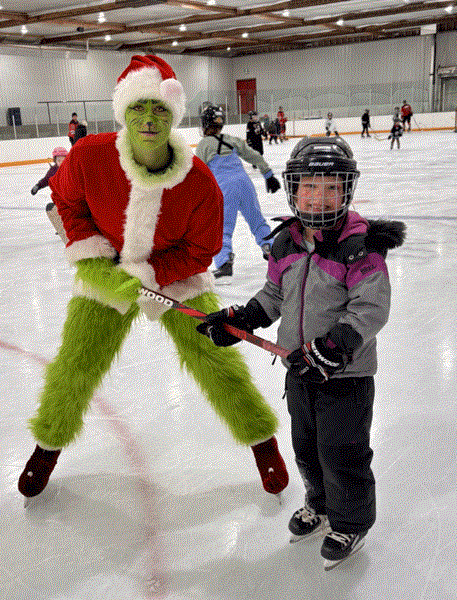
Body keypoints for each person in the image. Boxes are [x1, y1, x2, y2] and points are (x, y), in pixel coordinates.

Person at [18, 55, 289, 501]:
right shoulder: (89, 156)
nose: (149, 119)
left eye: (161, 109)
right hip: (106, 271)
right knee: (75, 365)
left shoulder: (199, 180)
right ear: (123, 111)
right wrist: (96, 266)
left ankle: (262, 440)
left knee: (215, 358)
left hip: (174, 273)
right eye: (139, 108)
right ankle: (47, 444)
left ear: (174, 115)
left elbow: (202, 250)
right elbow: (67, 203)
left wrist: (151, 275)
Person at [196, 136, 406, 568]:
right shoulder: (287, 242)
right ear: (293, 190)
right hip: (300, 370)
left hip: (344, 375)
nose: (319, 197)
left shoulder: (359, 246)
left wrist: (336, 347)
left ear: (347, 190)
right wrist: (243, 317)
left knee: (342, 451)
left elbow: (371, 307)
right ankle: (321, 503)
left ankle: (351, 521)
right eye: (310, 187)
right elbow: (276, 294)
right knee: (308, 447)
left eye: (331, 187)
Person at [195, 106, 281, 278]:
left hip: (225, 188)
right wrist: (268, 174)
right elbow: (254, 155)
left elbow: (199, 172)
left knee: (223, 226)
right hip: (245, 184)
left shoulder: (204, 144)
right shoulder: (232, 139)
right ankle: (270, 248)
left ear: (204, 124)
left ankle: (225, 262)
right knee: (257, 220)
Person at [30, 146, 70, 241]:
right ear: (55, 160)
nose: (61, 161)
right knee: (59, 211)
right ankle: (61, 227)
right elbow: (46, 180)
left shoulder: (70, 168)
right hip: (59, 197)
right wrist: (38, 186)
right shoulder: (53, 171)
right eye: (58, 160)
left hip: (70, 196)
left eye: (63, 159)